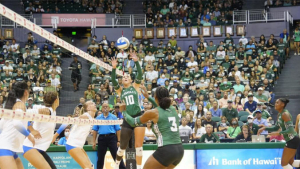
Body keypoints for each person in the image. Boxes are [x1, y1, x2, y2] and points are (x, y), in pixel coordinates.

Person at [121, 86, 184, 169]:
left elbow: (133, 123)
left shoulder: (153, 113)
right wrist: (148, 97)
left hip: (166, 149)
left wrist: (124, 111)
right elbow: (160, 107)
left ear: (156, 97)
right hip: (179, 150)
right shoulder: (172, 109)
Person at [0, 81, 48, 169]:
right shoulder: (19, 105)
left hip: (10, 149)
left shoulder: (12, 105)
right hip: (5, 148)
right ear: (26, 92)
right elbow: (17, 123)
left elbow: (3, 125)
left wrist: (38, 112)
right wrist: (29, 135)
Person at [111, 51, 145, 169]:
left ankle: (140, 168)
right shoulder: (120, 91)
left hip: (138, 116)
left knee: (138, 146)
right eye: (123, 77)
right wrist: (114, 68)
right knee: (122, 146)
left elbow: (140, 74)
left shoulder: (135, 86)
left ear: (131, 80)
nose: (125, 77)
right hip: (126, 118)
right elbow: (114, 81)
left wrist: (136, 61)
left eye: (127, 76)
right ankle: (116, 165)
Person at [53, 101, 97, 169]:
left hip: (78, 146)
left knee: (91, 166)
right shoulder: (85, 116)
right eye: (91, 103)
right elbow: (67, 122)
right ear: (88, 108)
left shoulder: (92, 118)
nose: (94, 104)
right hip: (73, 145)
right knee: (88, 167)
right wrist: (55, 135)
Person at [258, 98, 300, 169]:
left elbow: (290, 130)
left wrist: (279, 133)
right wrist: (265, 128)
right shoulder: (279, 114)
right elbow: (275, 128)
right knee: (291, 162)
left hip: (292, 139)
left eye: (277, 103)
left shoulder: (285, 114)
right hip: (291, 139)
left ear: (282, 104)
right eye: (275, 102)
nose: (275, 104)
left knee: (284, 163)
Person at [23, 91, 59, 169]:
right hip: (31, 147)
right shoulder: (46, 111)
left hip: (40, 148)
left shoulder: (53, 112)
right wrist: (31, 129)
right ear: (56, 100)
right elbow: (23, 114)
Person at [92, 102, 126, 169]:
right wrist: (94, 141)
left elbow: (118, 129)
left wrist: (118, 140)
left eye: (106, 106)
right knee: (100, 158)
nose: (105, 108)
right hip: (101, 138)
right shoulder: (98, 118)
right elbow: (95, 130)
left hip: (112, 138)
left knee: (117, 156)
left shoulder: (113, 117)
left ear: (109, 108)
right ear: (101, 109)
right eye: (103, 106)